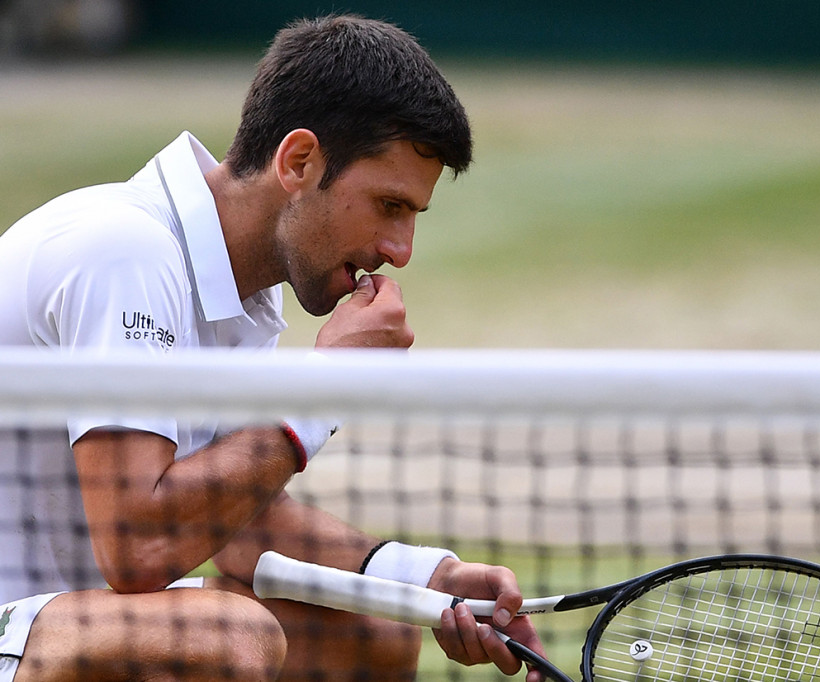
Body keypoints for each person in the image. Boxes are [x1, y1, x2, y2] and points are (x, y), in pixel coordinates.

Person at [0, 14, 545, 682]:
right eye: (388, 205)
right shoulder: (126, 253)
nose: (400, 251)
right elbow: (139, 547)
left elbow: (228, 520)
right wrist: (320, 390)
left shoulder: (239, 295)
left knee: (374, 633)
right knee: (233, 637)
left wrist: (428, 578)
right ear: (298, 162)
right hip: (14, 621)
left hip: (48, 624)